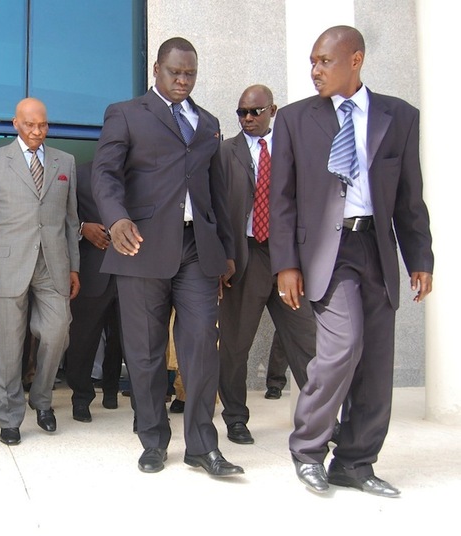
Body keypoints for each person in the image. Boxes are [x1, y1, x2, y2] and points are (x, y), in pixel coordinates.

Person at [269, 25, 434, 497]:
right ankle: (307, 449)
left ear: (355, 59)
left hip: (376, 248)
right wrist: (287, 263)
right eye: (313, 61)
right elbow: (281, 199)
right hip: (327, 251)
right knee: (343, 346)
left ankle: (356, 463)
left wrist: (419, 257)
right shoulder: (296, 119)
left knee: (377, 360)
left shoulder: (398, 116)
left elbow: (409, 196)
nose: (315, 70)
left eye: (325, 60)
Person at [92, 37, 243, 477]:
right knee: (145, 354)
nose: (182, 80)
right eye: (175, 72)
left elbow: (218, 194)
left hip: (197, 249)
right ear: (156, 69)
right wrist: (116, 218)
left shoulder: (208, 122)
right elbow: (104, 172)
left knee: (201, 349)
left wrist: (227, 251)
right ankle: (153, 440)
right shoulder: (126, 113)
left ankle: (201, 445)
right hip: (139, 246)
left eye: (190, 74)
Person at [0, 97, 79, 446]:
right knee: (6, 346)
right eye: (29, 124)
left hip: (53, 262)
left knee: (59, 329)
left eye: (42, 125)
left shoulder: (66, 162)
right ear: (15, 123)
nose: (36, 131)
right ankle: (11, 416)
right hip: (7, 263)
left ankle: (42, 398)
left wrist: (74, 266)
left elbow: (70, 219)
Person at [218, 84, 315, 445]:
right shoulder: (224, 152)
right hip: (243, 258)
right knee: (234, 345)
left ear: (272, 110)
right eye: (241, 112)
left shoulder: (292, 152)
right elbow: (213, 211)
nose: (247, 119)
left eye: (254, 112)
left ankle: (319, 418)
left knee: (306, 342)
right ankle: (235, 419)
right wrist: (221, 260)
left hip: (287, 259)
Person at [64, 161, 124, 423]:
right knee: (83, 339)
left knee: (127, 339)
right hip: (91, 269)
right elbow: (61, 213)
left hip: (131, 269)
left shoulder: (143, 170)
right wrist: (82, 228)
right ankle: (81, 398)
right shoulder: (80, 173)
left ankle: (112, 390)